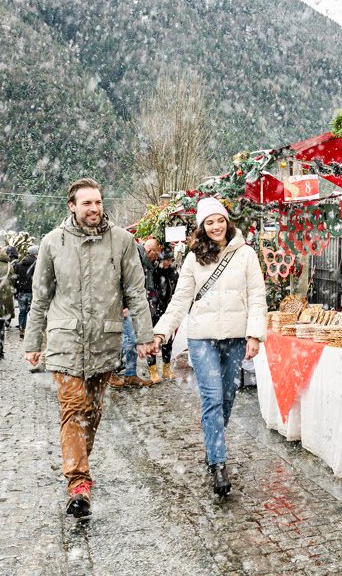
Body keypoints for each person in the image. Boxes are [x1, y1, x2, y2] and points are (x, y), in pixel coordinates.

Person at [24, 177, 154, 519]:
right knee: (73, 409)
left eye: (97, 202)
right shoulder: (53, 243)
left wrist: (144, 336)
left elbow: (136, 293)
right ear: (72, 206)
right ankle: (78, 483)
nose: (94, 208)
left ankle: (78, 460)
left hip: (105, 340)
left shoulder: (123, 242)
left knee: (93, 412)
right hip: (65, 340)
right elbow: (40, 298)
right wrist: (33, 341)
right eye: (87, 203)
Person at [151, 197, 266, 497]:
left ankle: (213, 440)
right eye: (209, 222)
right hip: (202, 338)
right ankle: (218, 464)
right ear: (202, 227)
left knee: (227, 398)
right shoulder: (193, 258)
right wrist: (161, 332)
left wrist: (255, 334)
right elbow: (180, 301)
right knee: (213, 398)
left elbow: (257, 297)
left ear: (228, 222)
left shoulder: (246, 255)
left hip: (236, 338)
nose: (215, 226)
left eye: (219, 220)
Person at [110, 237, 159, 388]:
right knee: (122, 339)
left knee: (130, 339)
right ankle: (111, 372)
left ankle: (130, 373)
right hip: (122, 306)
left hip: (130, 305)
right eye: (155, 255)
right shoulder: (134, 254)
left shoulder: (142, 258)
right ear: (149, 251)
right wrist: (122, 304)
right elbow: (122, 280)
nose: (156, 258)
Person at [147, 247, 178, 382]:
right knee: (151, 339)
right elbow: (149, 288)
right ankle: (153, 371)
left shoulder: (173, 272)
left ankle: (166, 368)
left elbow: (177, 289)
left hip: (167, 309)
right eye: (166, 260)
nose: (168, 262)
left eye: (170, 260)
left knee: (168, 341)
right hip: (153, 309)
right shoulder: (154, 272)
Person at [11, 245, 37, 338]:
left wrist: (16, 290)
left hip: (21, 291)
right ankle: (33, 330)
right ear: (35, 254)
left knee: (22, 312)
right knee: (33, 311)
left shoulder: (19, 264)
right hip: (33, 291)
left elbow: (15, 278)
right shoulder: (37, 264)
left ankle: (22, 329)